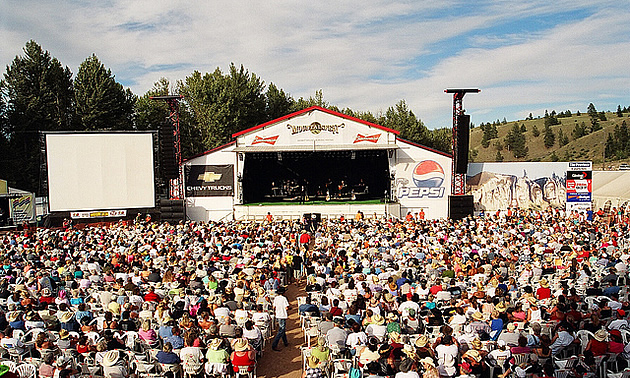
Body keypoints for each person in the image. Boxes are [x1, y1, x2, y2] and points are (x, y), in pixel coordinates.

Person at [271, 286, 290, 351]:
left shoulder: (276, 298)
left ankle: (285, 342)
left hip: (278, 315)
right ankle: (274, 344)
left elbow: (274, 306)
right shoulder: (284, 298)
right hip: (282, 315)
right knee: (281, 330)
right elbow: (286, 307)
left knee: (282, 329)